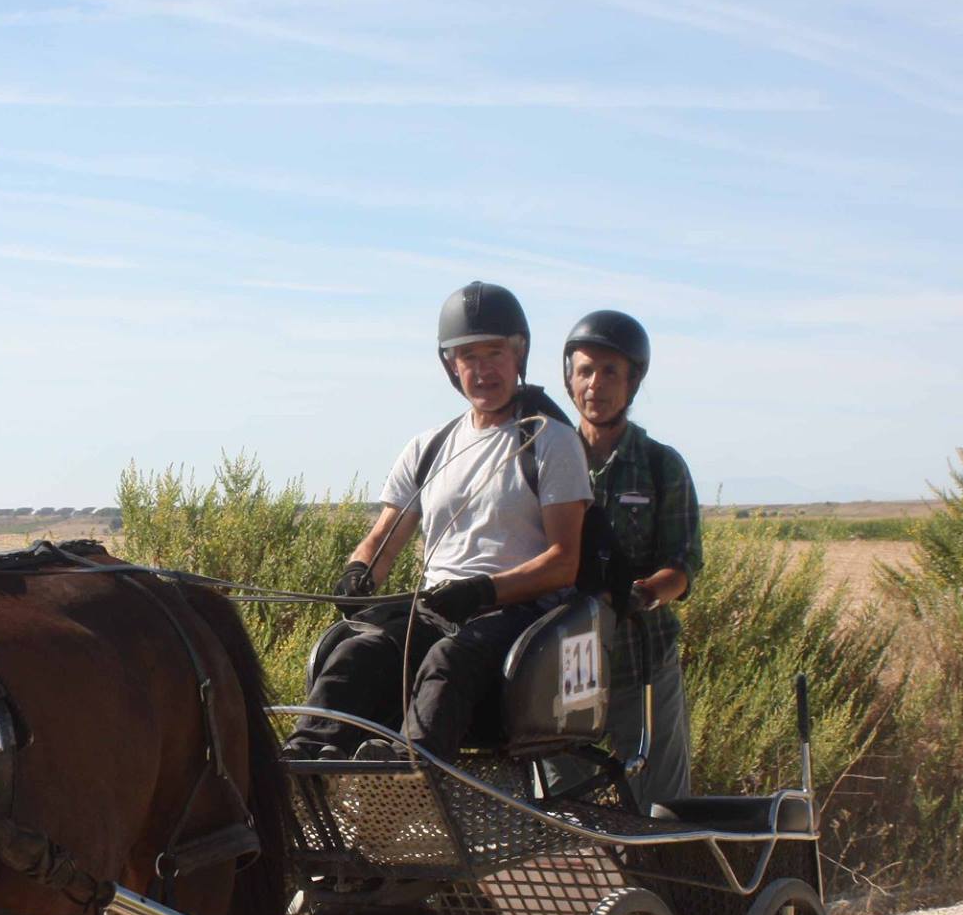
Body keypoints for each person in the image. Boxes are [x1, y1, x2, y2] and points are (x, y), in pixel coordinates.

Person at [285, 281, 591, 764]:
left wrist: (483, 591)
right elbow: (383, 538)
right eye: (468, 356)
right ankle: (301, 765)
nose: (483, 369)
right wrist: (358, 572)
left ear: (519, 354)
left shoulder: (550, 443)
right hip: (440, 608)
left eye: (495, 352)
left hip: (519, 618)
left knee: (449, 659)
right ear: (450, 365)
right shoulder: (429, 448)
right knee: (356, 655)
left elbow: (564, 564)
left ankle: (406, 773)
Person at [563, 310, 702, 809]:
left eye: (610, 372)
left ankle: (668, 885)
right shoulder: (543, 460)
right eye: (584, 371)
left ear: (633, 380)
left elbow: (684, 566)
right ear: (568, 377)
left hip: (642, 658)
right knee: (559, 808)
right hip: (565, 662)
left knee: (661, 805)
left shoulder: (662, 465)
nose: (595, 385)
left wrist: (640, 596)